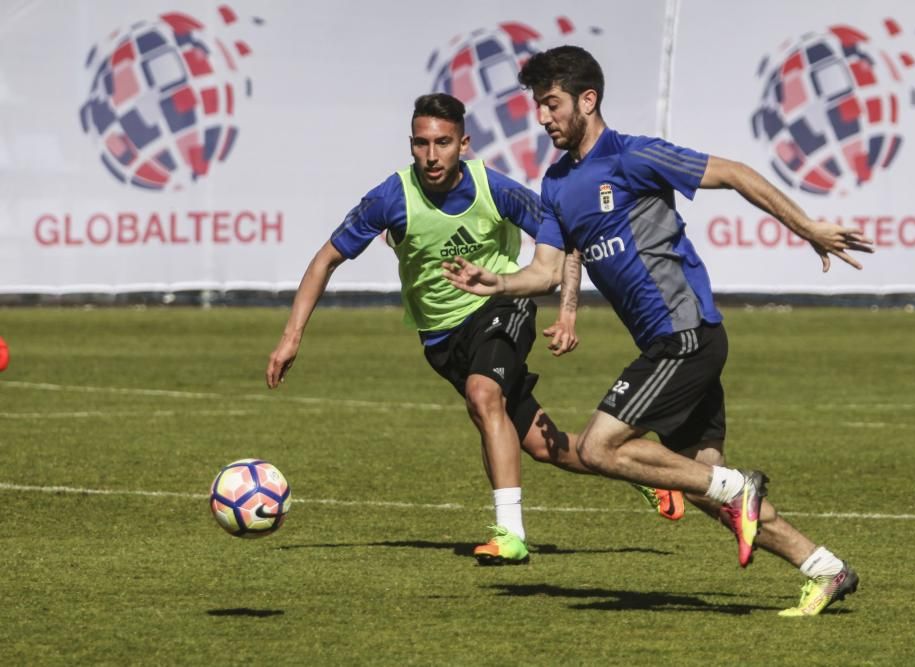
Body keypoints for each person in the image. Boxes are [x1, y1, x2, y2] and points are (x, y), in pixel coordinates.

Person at [443, 46, 868, 615]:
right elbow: (545, 269)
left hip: (686, 336)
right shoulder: (557, 183)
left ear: (587, 100)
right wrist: (495, 282)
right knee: (707, 487)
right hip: (668, 345)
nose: (542, 118)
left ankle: (739, 487)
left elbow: (736, 173)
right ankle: (825, 567)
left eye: (551, 104)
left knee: (599, 447)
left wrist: (806, 226)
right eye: (537, 107)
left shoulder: (632, 155)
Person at [266, 92, 682, 567]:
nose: (431, 155)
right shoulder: (391, 196)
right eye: (421, 143)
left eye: (442, 143)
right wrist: (291, 336)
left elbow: (566, 236)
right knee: (545, 447)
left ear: (463, 143)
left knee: (485, 395)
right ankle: (640, 468)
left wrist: (567, 311)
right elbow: (327, 259)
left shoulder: (494, 189)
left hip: (501, 306)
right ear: (411, 145)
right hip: (441, 341)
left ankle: (510, 535)